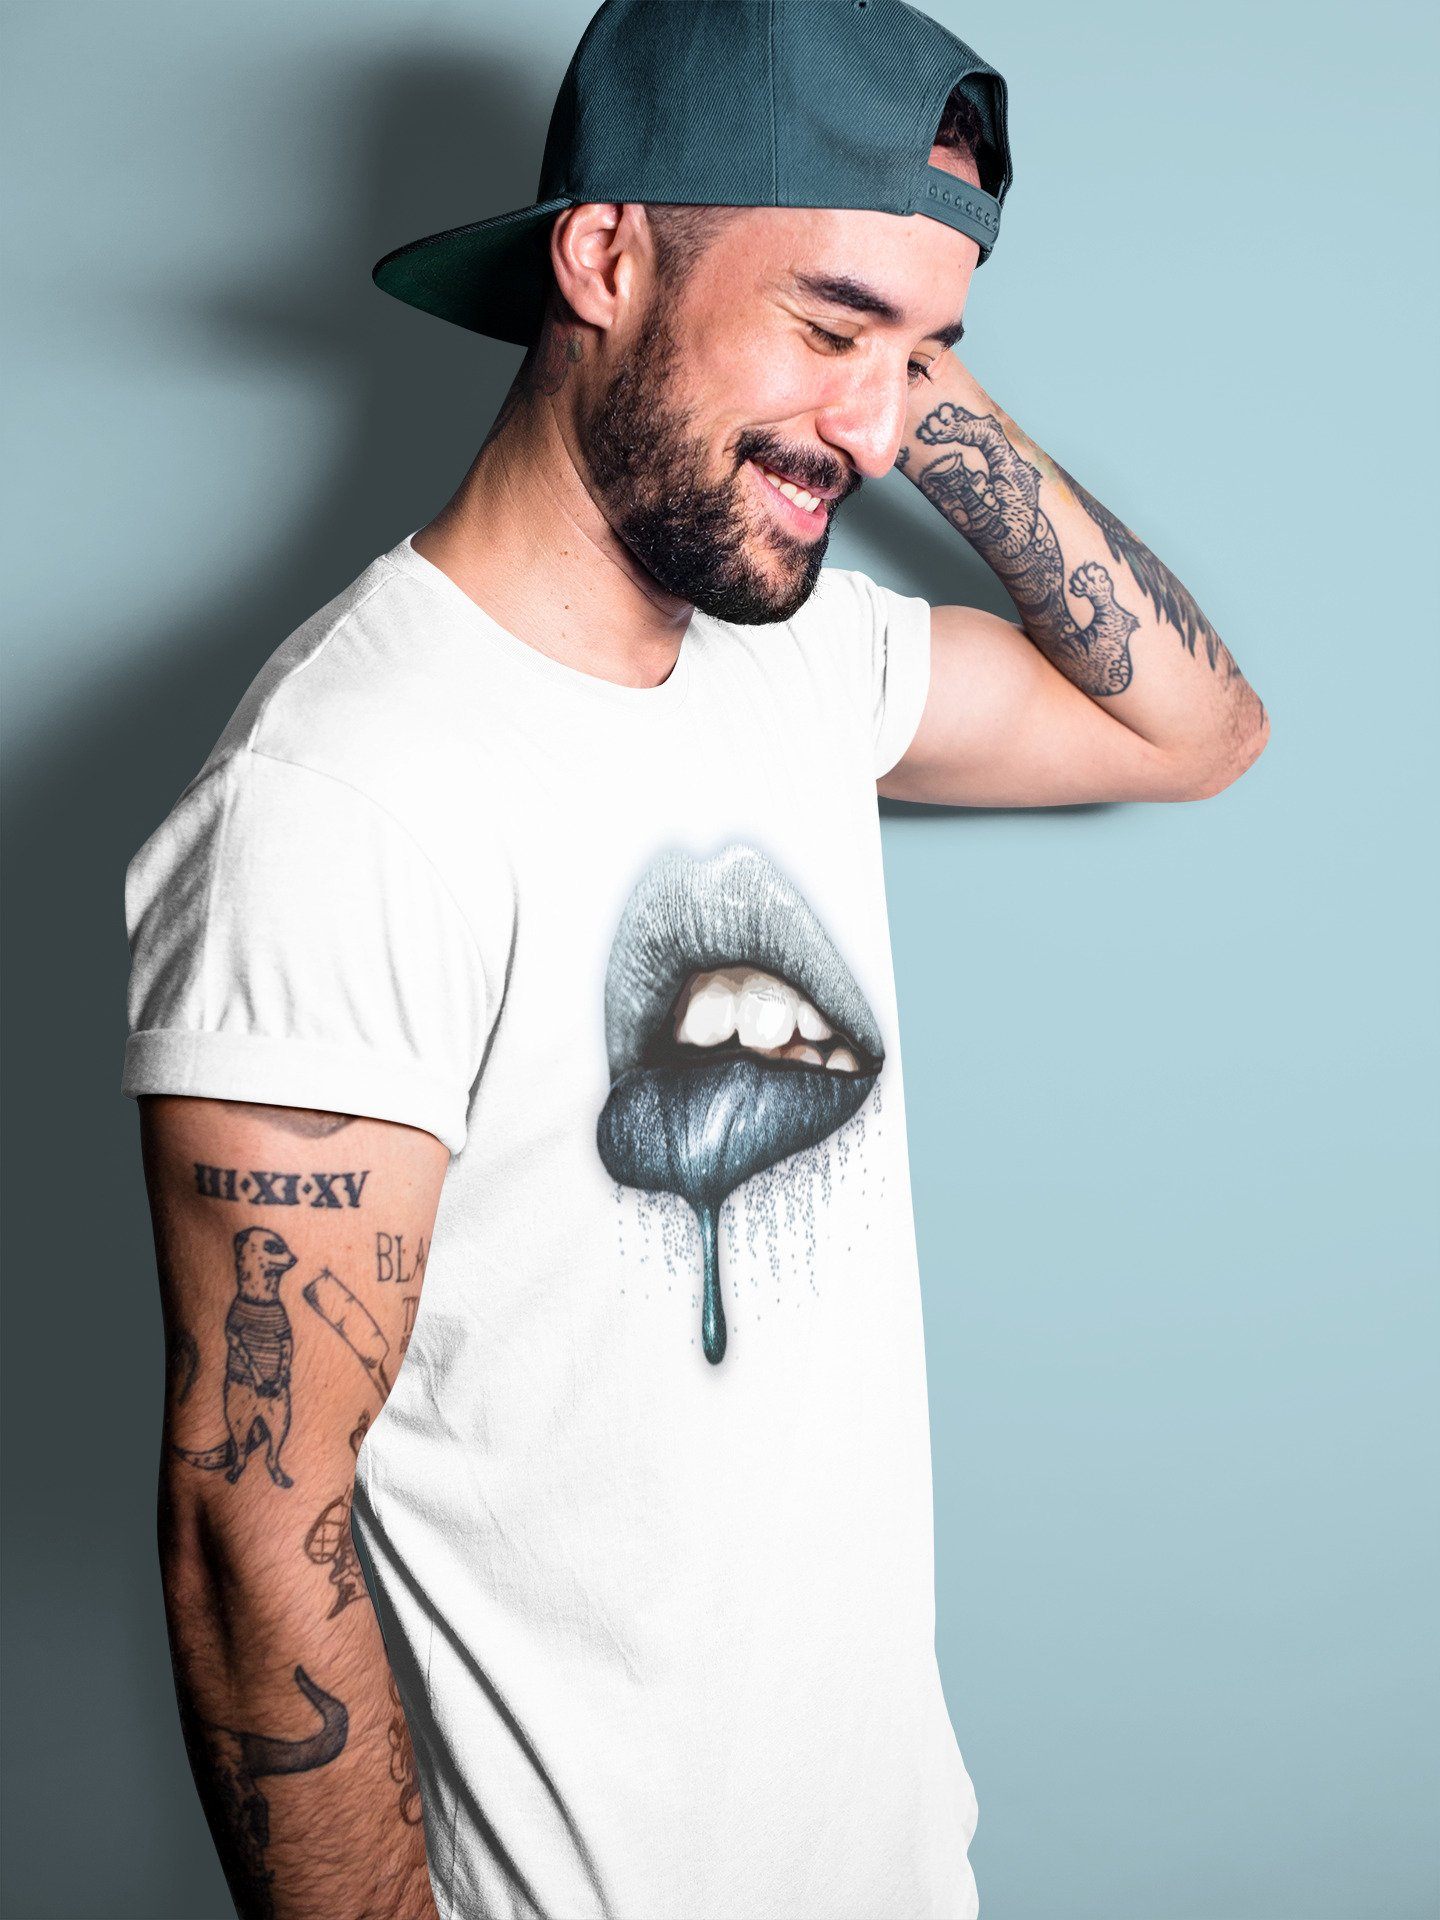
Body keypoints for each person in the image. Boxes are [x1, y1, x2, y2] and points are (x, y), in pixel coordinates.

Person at [122, 0, 1269, 1914]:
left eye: (928, 355)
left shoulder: (797, 659)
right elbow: (254, 1538)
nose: (878, 430)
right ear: (602, 258)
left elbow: (1199, 731)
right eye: (826, 325)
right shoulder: (341, 794)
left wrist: (884, 356)